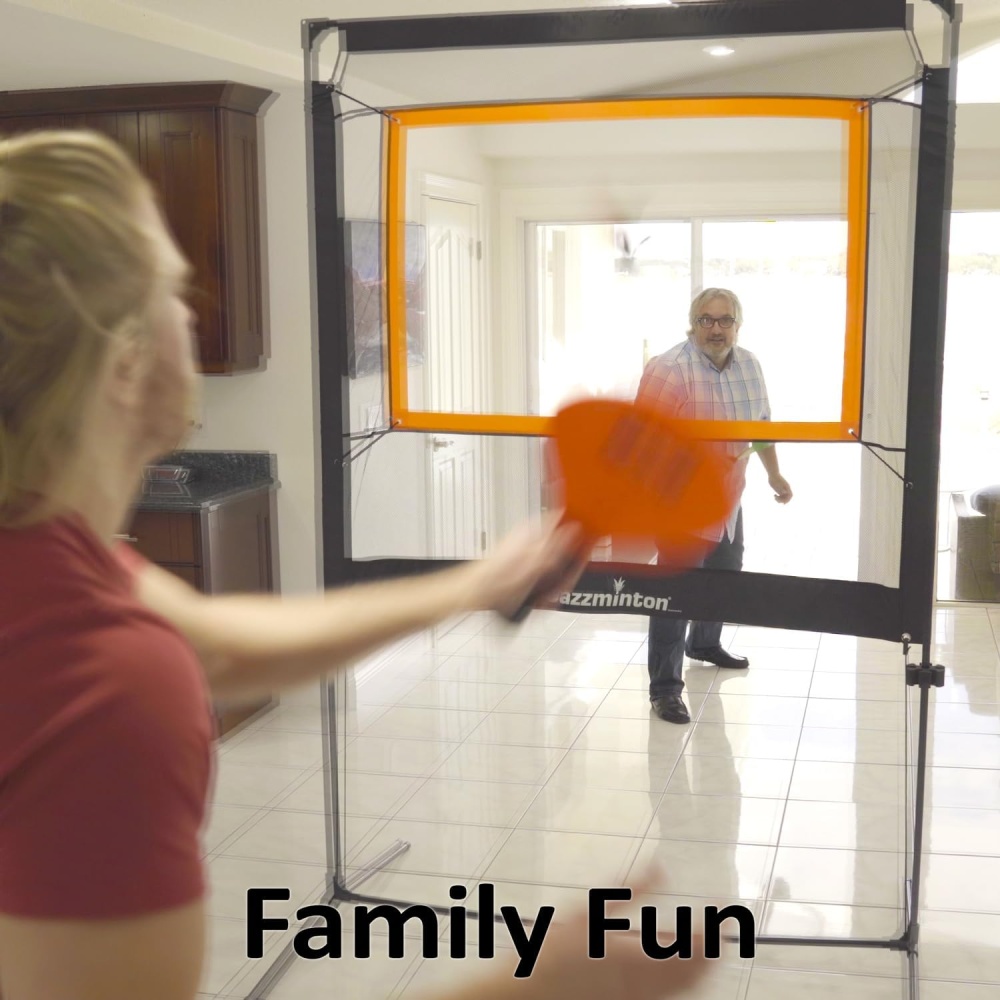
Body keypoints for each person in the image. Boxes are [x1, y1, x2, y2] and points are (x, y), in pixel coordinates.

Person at [0, 131, 714, 1000]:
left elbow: (213, 644)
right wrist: (548, 986)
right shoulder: (114, 691)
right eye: (171, 294)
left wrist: (475, 583)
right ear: (123, 366)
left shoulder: (47, 560)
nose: (191, 316)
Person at [637, 288, 793, 725]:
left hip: (728, 499)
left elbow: (761, 426)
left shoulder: (750, 365)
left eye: (725, 320)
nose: (716, 329)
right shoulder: (669, 369)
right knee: (674, 595)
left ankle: (704, 643)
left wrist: (774, 474)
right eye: (706, 320)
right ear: (693, 324)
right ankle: (665, 689)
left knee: (725, 575)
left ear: (737, 326)